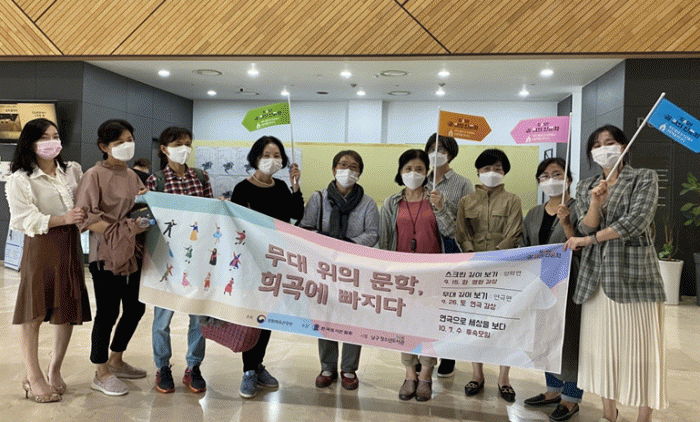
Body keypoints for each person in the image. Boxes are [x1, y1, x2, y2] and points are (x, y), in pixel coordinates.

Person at [563, 125, 667, 422]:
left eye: (609, 142)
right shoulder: (586, 185)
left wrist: (590, 240)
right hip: (595, 281)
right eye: (596, 145)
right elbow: (585, 226)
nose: (603, 148)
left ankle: (644, 417)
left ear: (624, 146)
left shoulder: (643, 177)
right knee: (603, 353)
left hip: (634, 278)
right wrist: (596, 203)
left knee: (642, 352)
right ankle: (609, 415)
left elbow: (637, 221)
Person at [6, 118, 91, 403]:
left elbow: (87, 200)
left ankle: (54, 369)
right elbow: (22, 218)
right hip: (41, 245)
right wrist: (62, 219)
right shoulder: (20, 178)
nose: (51, 142)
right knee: (33, 312)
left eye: (55, 136)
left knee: (65, 310)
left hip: (70, 245)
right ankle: (33, 376)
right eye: (44, 137)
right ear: (30, 143)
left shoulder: (72, 170)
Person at [75, 119, 150, 396]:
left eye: (129, 140)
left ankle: (117, 359)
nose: (126, 146)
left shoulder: (133, 176)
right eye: (119, 142)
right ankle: (101, 371)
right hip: (105, 255)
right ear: (104, 146)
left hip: (133, 253)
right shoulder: (93, 175)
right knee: (108, 312)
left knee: (136, 308)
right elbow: (86, 217)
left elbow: (139, 209)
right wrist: (121, 230)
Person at [228, 135, 303, 398]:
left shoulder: (281, 186)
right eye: (267, 155)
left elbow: (296, 215)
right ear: (256, 158)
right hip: (251, 264)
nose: (272, 160)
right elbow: (235, 227)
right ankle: (248, 370)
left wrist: (296, 186)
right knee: (251, 318)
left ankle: (258, 365)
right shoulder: (242, 189)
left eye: (277, 155)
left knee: (267, 317)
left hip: (276, 262)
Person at [300, 150, 379, 391]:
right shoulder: (318, 198)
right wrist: (328, 246)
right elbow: (306, 227)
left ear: (359, 173)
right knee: (325, 316)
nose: (348, 170)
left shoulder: (368, 203)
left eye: (353, 167)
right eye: (343, 165)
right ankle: (327, 366)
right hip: (324, 267)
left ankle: (349, 368)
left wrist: (347, 246)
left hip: (354, 269)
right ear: (334, 169)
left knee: (354, 316)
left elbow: (373, 233)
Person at [378, 149, 452, 402]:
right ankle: (410, 374)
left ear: (427, 172)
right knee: (405, 324)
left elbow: (451, 231)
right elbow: (384, 239)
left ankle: (426, 375)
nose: (413, 173)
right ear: (400, 172)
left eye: (419, 169)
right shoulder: (392, 202)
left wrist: (440, 208)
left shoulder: (436, 198)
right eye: (408, 169)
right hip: (402, 275)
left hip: (433, 274)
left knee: (430, 324)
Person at [146, 127, 213, 394]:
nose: (184, 149)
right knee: (162, 319)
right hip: (167, 261)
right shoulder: (156, 181)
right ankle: (162, 367)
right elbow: (150, 218)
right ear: (164, 149)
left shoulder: (201, 177)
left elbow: (210, 215)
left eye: (187, 144)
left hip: (198, 259)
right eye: (177, 144)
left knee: (199, 318)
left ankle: (194, 367)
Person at [456, 148, 523, 403]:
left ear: (504, 172)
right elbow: (461, 232)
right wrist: (473, 256)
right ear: (478, 172)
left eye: (497, 168)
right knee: (475, 323)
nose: (491, 173)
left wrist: (493, 258)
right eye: (486, 169)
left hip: (504, 269)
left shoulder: (513, 200)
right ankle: (477, 374)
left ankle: (504, 378)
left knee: (504, 323)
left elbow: (514, 233)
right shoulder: (466, 201)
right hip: (474, 269)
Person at [521, 158, 583, 422]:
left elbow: (583, 244)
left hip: (570, 282)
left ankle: (571, 398)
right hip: (540, 283)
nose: (551, 180)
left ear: (568, 179)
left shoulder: (579, 208)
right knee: (545, 336)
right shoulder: (534, 213)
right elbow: (524, 244)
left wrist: (567, 223)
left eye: (557, 174)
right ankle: (552, 390)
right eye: (544, 176)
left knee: (570, 339)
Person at [424, 133, 475, 378]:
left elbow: (463, 227)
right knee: (423, 305)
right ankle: (424, 354)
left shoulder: (463, 184)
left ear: (451, 154)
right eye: (431, 148)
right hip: (423, 250)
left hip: (450, 249)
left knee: (448, 307)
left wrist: (441, 207)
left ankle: (448, 354)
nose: (435, 153)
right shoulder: (419, 180)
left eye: (441, 149)